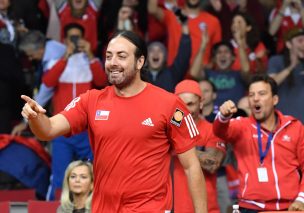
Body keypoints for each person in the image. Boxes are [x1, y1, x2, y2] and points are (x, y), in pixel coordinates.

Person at [21, 30, 207, 212]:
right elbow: (48, 130)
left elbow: (191, 166)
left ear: (140, 62)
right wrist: (35, 117)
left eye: (121, 56)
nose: (113, 63)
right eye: (109, 56)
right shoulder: (91, 100)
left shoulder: (169, 104)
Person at [213, 74, 304, 212]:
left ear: (275, 99)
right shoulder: (242, 126)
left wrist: (301, 199)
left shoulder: (294, 127)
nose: (255, 98)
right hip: (251, 207)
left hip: (291, 207)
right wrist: (223, 116)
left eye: (261, 94)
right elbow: (220, 130)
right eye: (251, 95)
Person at [174, 79, 226, 213]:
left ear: (201, 103)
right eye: (180, 104)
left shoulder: (213, 130)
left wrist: (178, 145)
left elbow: (213, 164)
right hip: (173, 208)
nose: (185, 110)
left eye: (190, 104)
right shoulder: (165, 131)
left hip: (207, 209)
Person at [144, 14, 191, 92]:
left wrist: (185, 26)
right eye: (152, 50)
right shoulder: (139, 76)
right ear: (146, 57)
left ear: (165, 57)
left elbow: (184, 55)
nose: (156, 53)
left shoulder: (172, 74)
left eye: (160, 51)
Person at [268, 27, 304, 123]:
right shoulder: (277, 60)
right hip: (282, 123)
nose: (303, 44)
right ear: (288, 44)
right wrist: (291, 67)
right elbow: (269, 84)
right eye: (300, 41)